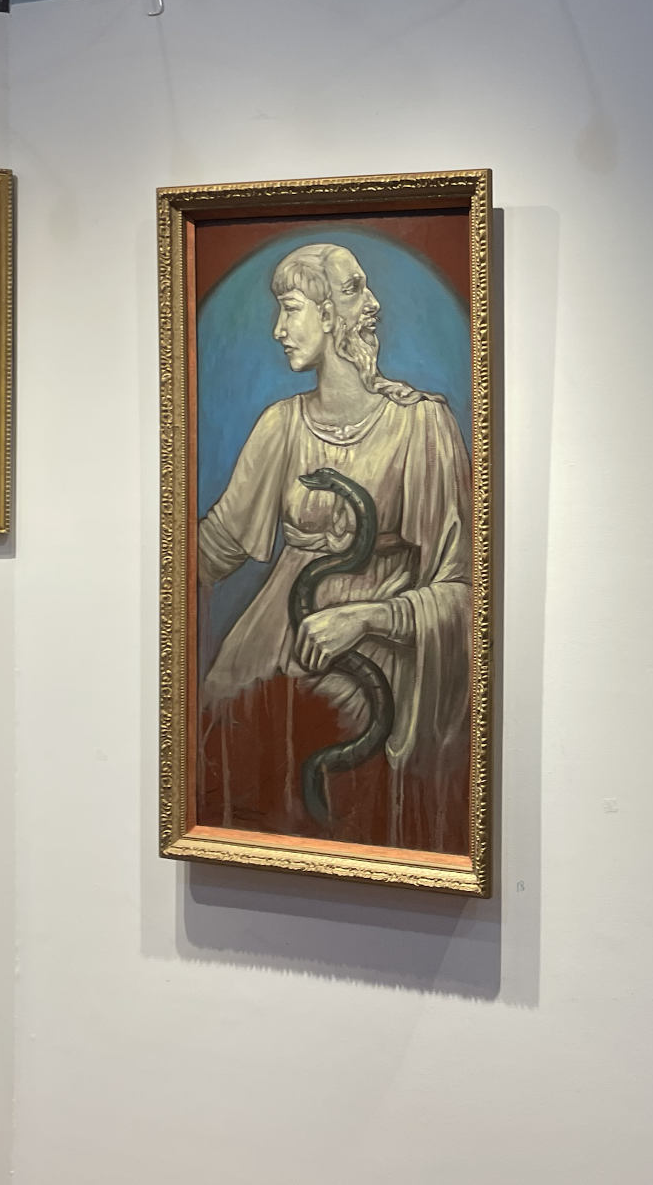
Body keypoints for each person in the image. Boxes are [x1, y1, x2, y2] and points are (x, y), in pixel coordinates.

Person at [196, 242, 471, 852]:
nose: (278, 329)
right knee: (224, 708)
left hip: (378, 651)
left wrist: (366, 618)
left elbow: (464, 592)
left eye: (290, 308)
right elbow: (214, 549)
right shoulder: (281, 425)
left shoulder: (421, 427)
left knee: (337, 720)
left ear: (330, 316)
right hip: (276, 633)